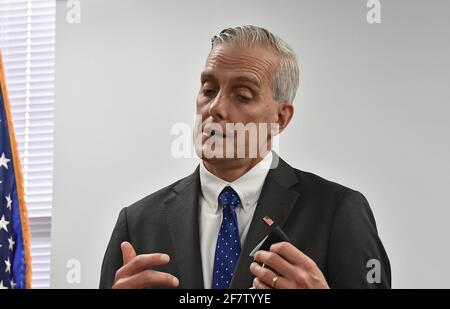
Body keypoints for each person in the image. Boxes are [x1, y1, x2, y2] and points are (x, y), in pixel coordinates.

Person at [99, 25, 391, 289]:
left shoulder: (337, 211)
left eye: (242, 95)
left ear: (280, 118)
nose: (216, 108)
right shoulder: (137, 222)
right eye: (209, 89)